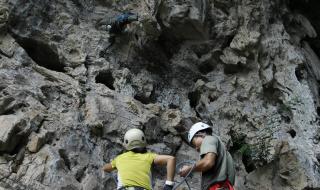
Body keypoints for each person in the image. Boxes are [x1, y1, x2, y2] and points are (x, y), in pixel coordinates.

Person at [103, 128, 176, 190]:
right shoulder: (149, 157)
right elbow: (171, 159)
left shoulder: (119, 158)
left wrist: (116, 166)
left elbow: (105, 168)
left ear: (126, 143)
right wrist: (168, 185)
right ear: (143, 141)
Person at [179, 122, 235, 190]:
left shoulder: (208, 139)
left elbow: (208, 162)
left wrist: (189, 169)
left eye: (194, 143)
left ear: (200, 134)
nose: (196, 148)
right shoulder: (225, 152)